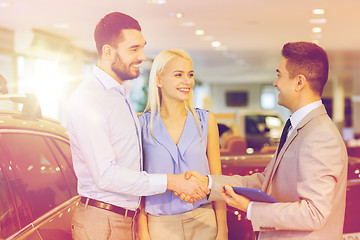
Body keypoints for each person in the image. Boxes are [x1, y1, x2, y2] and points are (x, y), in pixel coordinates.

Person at [66, 12, 209, 240]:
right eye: (133, 49)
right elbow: (105, 175)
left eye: (142, 47)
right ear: (108, 51)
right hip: (103, 222)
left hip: (123, 220)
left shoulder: (119, 95)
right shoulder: (90, 99)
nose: (142, 56)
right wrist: (171, 181)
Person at [185, 41, 348, 239]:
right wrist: (208, 183)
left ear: (299, 82)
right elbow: (265, 182)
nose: (275, 82)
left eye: (279, 75)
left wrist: (251, 208)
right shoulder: (300, 128)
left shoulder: (320, 135)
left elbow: (314, 213)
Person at [137, 49, 228, 240]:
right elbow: (139, 183)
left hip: (204, 219)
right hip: (160, 226)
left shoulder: (207, 121)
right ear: (159, 80)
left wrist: (222, 230)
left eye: (190, 74)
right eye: (178, 75)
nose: (187, 81)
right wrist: (143, 231)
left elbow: (217, 180)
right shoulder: (141, 125)